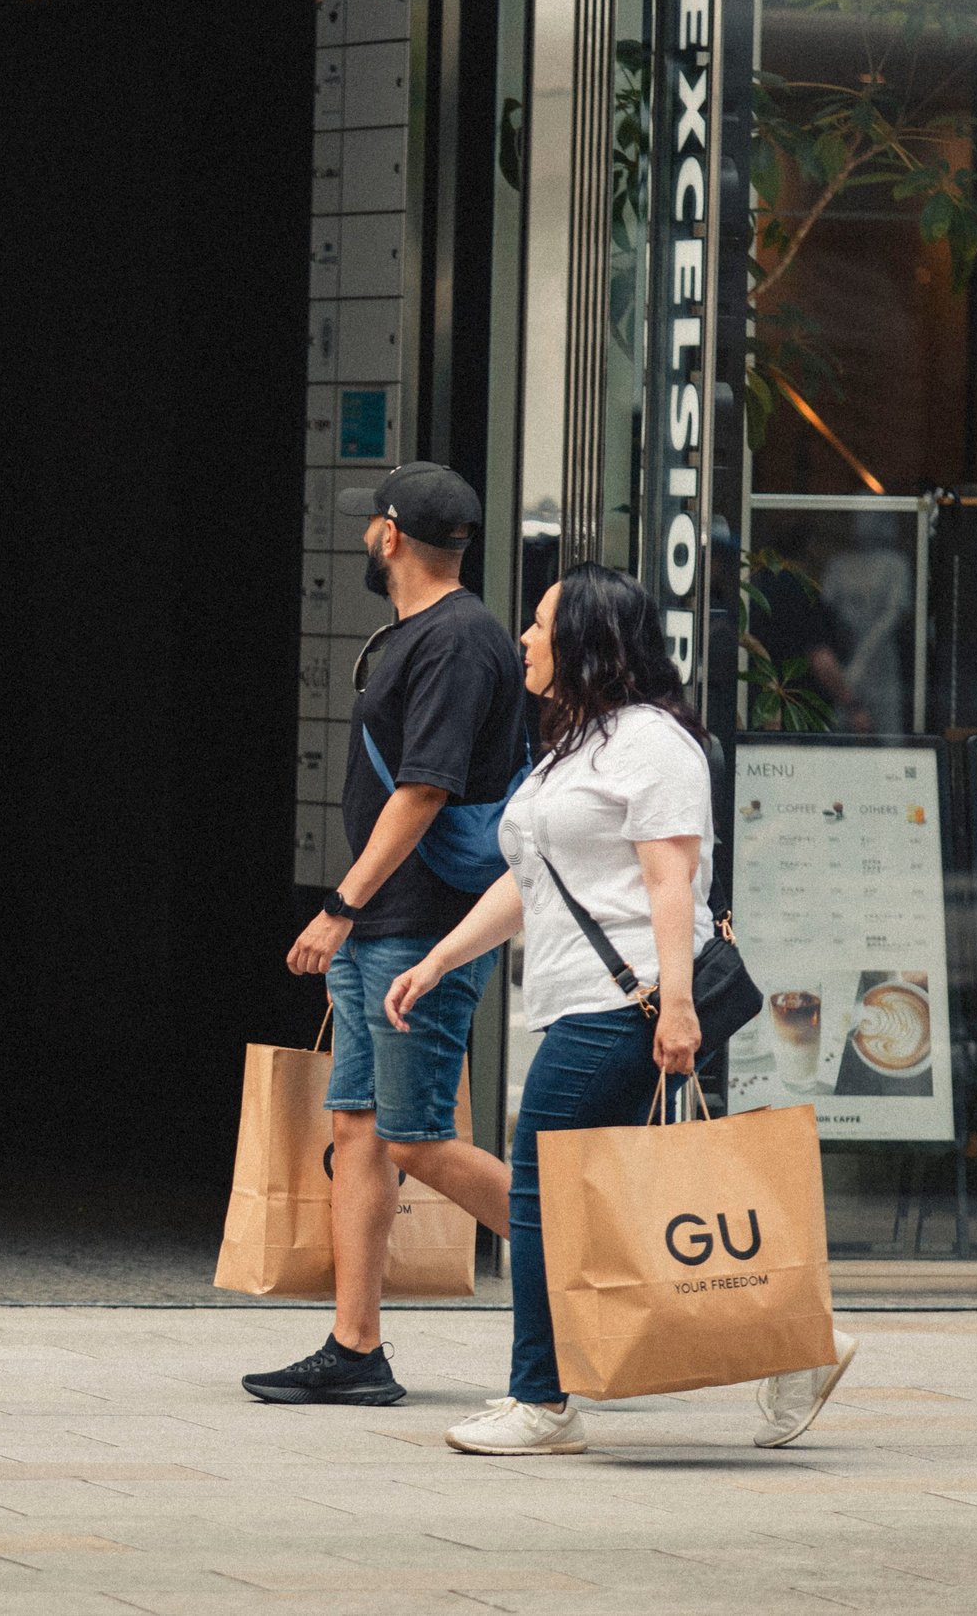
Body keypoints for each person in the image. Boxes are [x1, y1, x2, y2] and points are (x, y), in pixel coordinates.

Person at [383, 562, 859, 1454]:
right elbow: (532, 884)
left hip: (630, 1004)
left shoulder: (653, 744)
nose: (523, 638)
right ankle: (804, 1345)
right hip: (588, 1004)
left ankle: (542, 1400)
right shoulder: (576, 744)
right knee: (603, 1206)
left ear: (586, 643)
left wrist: (677, 1008)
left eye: (539, 624)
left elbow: (669, 879)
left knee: (541, 1192)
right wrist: (442, 959)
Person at [244, 462, 524, 1407]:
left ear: (392, 534)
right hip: (387, 927)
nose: (366, 535)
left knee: (414, 1140)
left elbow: (425, 788)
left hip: (422, 926)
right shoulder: (411, 634)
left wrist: (341, 905)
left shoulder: (459, 641)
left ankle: (594, 1262)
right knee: (356, 1128)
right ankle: (355, 1347)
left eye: (373, 523)